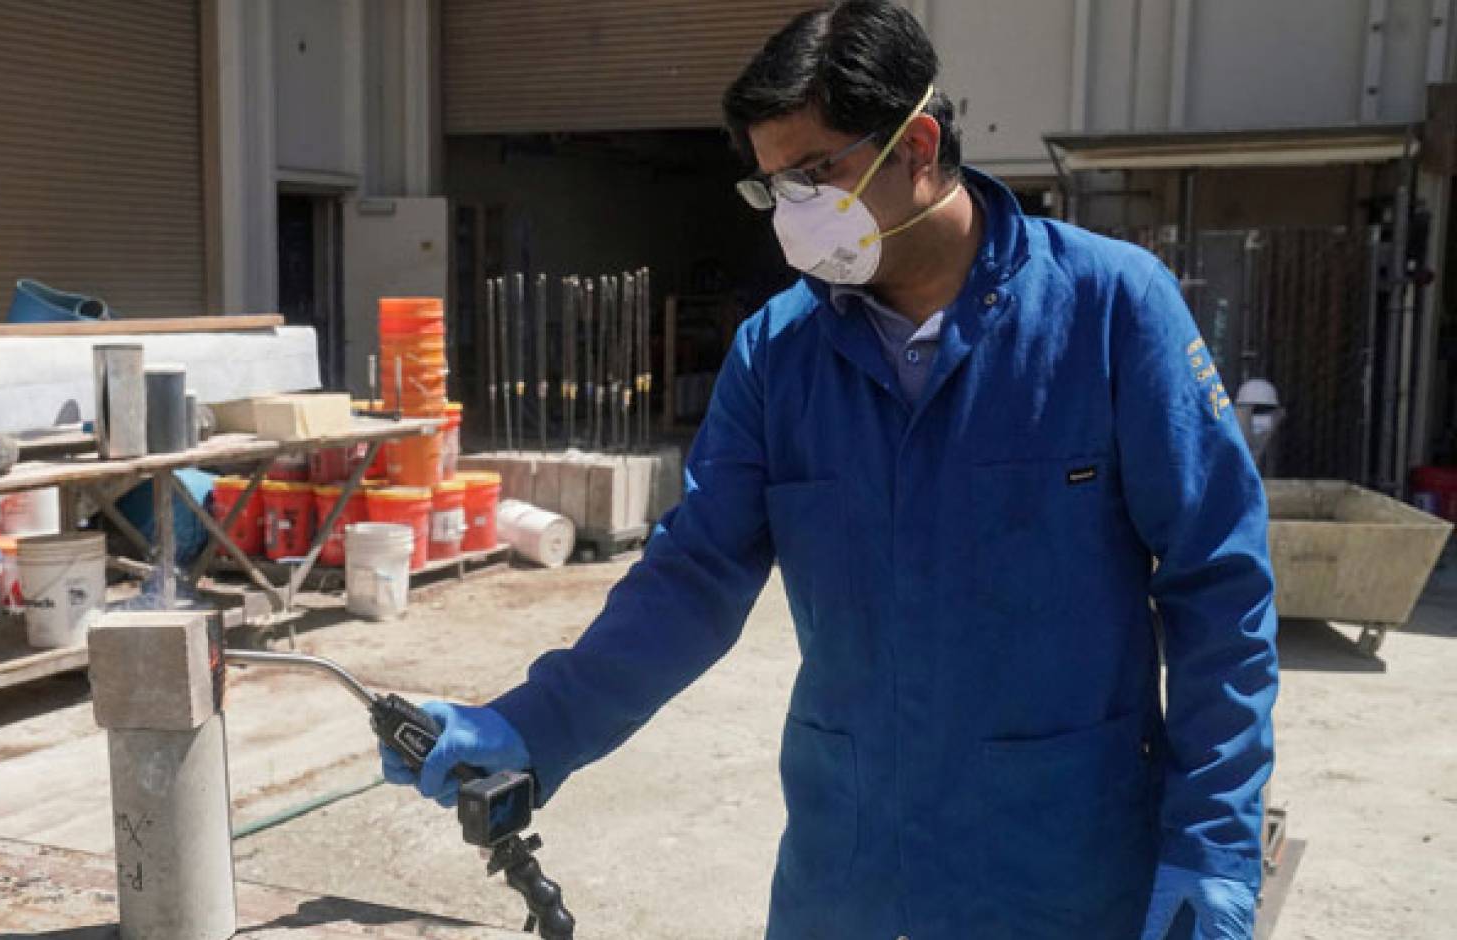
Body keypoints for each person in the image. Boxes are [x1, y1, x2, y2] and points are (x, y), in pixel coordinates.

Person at [382, 3, 1278, 937]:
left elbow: (1218, 586)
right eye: (774, 186)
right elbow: (692, 579)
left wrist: (1213, 842)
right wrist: (537, 724)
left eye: (815, 174)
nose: (795, 212)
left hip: (1062, 866)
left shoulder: (1107, 311)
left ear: (917, 144)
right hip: (848, 871)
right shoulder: (780, 353)